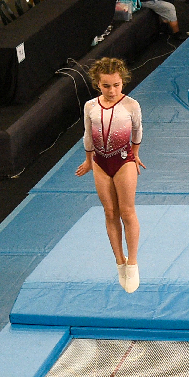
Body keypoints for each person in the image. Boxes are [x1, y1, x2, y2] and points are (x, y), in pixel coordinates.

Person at [76, 57, 145, 293]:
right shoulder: (90, 106)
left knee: (127, 211)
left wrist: (135, 155)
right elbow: (88, 135)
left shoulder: (131, 105)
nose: (112, 90)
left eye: (116, 85)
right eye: (106, 86)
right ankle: (120, 262)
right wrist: (88, 161)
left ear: (122, 82)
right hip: (100, 162)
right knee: (110, 212)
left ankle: (133, 263)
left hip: (124, 160)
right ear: (97, 84)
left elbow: (137, 131)